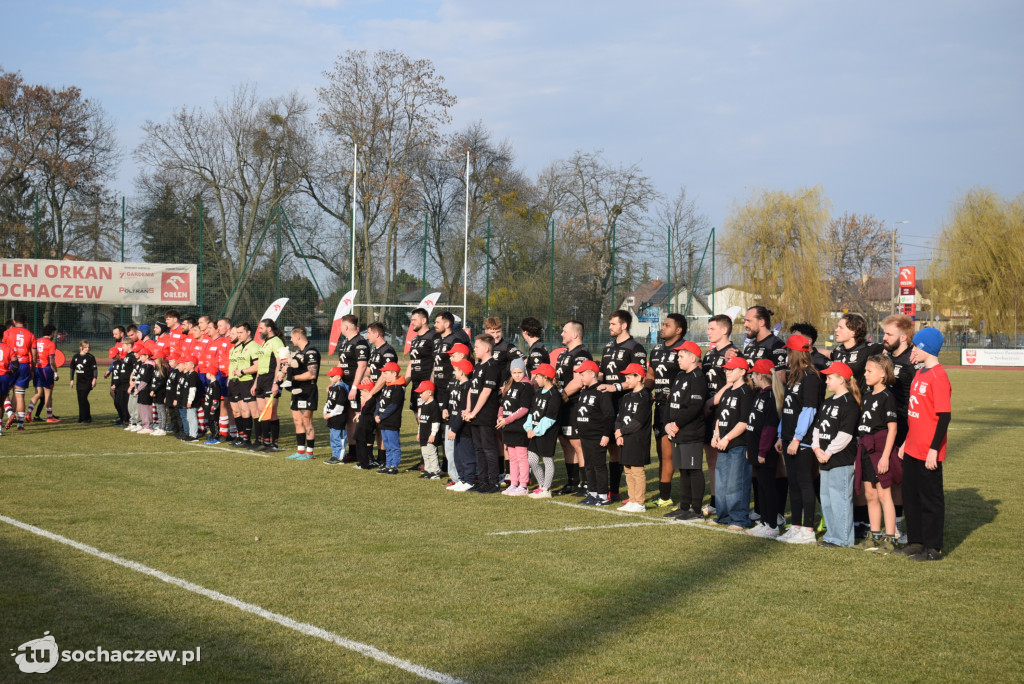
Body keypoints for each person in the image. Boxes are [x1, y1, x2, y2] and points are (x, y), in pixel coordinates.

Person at [896, 328, 951, 562]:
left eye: (916, 346)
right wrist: (906, 442)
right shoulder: (920, 373)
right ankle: (916, 541)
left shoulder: (938, 376)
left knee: (930, 499)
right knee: (911, 497)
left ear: (926, 348)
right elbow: (914, 413)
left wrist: (933, 450)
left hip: (928, 451)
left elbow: (944, 417)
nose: (913, 350)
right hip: (911, 448)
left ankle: (933, 548)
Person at [596, 309, 647, 502]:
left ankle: (621, 491)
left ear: (624, 325)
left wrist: (615, 386)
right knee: (609, 445)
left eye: (613, 324)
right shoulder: (608, 347)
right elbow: (602, 373)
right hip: (606, 403)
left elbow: (638, 377)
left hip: (625, 403)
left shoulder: (636, 348)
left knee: (621, 446)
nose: (610, 327)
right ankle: (609, 488)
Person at [810, 361, 862, 548]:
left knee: (840, 499)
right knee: (827, 498)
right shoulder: (828, 401)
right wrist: (816, 449)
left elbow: (845, 434)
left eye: (830, 378)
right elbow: (817, 428)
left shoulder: (850, 403)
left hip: (840, 459)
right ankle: (832, 535)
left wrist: (829, 452)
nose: (826, 382)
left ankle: (843, 539)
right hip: (824, 457)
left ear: (841, 380)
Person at [776, 334, 822, 537]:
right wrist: (780, 435)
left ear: (795, 353)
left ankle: (808, 529)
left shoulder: (811, 377)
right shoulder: (793, 375)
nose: (786, 354)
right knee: (793, 482)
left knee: (804, 481)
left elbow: (809, 410)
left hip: (802, 440)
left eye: (788, 351)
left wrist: (796, 438)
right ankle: (795, 526)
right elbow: (787, 408)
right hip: (787, 437)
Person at [856, 355, 900, 553]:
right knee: (870, 494)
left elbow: (892, 429)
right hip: (865, 449)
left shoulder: (887, 397)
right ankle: (874, 535)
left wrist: (885, 457)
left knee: (884, 495)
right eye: (865, 370)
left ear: (882, 374)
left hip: (880, 450)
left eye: (869, 371)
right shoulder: (867, 394)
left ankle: (890, 538)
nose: (865, 374)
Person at [646, 313, 687, 509]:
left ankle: (665, 495)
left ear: (678, 330)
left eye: (667, 325)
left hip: (675, 409)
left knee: (668, 452)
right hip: (659, 406)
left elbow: (691, 376)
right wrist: (645, 391)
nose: (663, 328)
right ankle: (665, 493)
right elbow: (651, 374)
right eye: (663, 324)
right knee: (661, 453)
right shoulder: (656, 349)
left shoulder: (685, 350)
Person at [663, 340, 707, 520]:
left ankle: (696, 510)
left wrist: (677, 424)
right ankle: (684, 506)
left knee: (693, 469)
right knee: (683, 469)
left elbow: (694, 406)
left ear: (693, 358)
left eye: (681, 356)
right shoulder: (680, 376)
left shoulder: (698, 378)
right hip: (677, 432)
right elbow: (670, 401)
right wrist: (667, 423)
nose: (678, 359)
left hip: (691, 432)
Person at [710, 356, 754, 529]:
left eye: (732, 369)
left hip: (738, 445)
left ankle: (740, 518)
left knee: (736, 483)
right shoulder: (727, 392)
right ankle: (724, 516)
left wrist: (728, 438)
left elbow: (744, 422)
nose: (727, 372)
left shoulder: (746, 392)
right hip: (723, 446)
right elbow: (720, 418)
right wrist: (716, 435)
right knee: (721, 483)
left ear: (743, 371)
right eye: (726, 369)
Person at [701, 314, 738, 516]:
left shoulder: (732, 353)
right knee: (711, 458)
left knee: (726, 458)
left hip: (723, 410)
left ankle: (727, 500)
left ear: (724, 330)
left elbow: (732, 383)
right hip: (708, 410)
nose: (708, 332)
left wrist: (712, 401)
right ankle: (716, 500)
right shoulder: (710, 354)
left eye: (712, 328)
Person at [745, 359, 784, 537]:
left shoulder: (771, 397)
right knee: (761, 486)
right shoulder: (760, 394)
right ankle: (764, 521)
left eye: (753, 373)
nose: (752, 377)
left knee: (768, 487)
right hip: (755, 449)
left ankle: (773, 525)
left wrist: (762, 451)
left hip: (765, 451)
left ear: (760, 375)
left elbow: (769, 429)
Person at [553, 320, 593, 495]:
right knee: (565, 442)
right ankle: (572, 481)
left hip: (575, 404)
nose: (561, 334)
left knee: (578, 444)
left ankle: (586, 483)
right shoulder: (563, 354)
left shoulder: (581, 354)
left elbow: (578, 382)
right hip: (563, 404)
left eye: (564, 331)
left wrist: (559, 397)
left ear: (575, 334)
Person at [574, 359, 616, 506]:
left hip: (597, 436)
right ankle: (592, 494)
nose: (580, 377)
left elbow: (609, 415)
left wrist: (605, 435)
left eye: (582, 374)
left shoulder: (601, 390)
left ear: (592, 374)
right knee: (589, 465)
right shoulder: (585, 391)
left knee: (599, 466)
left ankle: (603, 495)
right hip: (585, 435)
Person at [464, 335, 503, 493]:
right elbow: (472, 390)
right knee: (479, 448)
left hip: (486, 413)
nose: (474, 349)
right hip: (474, 414)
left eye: (477, 346)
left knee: (488, 448)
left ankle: (493, 482)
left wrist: (474, 412)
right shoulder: (479, 365)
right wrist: (467, 409)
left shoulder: (492, 366)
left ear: (487, 348)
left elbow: (486, 392)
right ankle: (483, 480)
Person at [614, 363, 653, 512]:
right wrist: (618, 433)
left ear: (639, 378)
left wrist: (622, 431)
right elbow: (619, 418)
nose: (627, 380)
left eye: (629, 377)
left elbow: (638, 422)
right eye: (626, 377)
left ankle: (640, 502)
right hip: (625, 437)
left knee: (637, 471)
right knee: (628, 470)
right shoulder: (626, 397)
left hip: (638, 439)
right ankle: (632, 499)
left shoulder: (645, 396)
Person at [248, 319, 288, 452]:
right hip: (261, 380)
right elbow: (260, 365)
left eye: (261, 328)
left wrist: (276, 382)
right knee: (262, 412)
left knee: (271, 412)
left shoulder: (277, 342)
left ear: (269, 328)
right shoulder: (264, 343)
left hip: (271, 379)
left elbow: (280, 363)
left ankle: (274, 443)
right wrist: (255, 383)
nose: (259, 331)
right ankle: (265, 442)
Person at [525, 363, 562, 498]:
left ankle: (546, 489)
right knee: (532, 459)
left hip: (547, 433)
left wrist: (537, 431)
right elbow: (531, 411)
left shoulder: (554, 395)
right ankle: (541, 485)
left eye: (538, 376)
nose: (535, 379)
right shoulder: (539, 392)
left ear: (546, 377)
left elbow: (550, 418)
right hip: (534, 431)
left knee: (547, 460)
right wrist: (529, 428)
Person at [497, 359, 534, 495]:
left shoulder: (527, 387)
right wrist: (500, 416)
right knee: (512, 457)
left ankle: (523, 485)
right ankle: (513, 483)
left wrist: (507, 420)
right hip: (507, 427)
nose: (517, 375)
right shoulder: (510, 385)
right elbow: (503, 404)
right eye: (514, 372)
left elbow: (524, 408)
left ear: (524, 371)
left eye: (519, 372)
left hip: (519, 427)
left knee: (521, 456)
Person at [336, 314, 369, 457]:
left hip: (355, 385)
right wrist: (335, 382)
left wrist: (355, 387)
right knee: (349, 418)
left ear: (346, 326)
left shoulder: (360, 342)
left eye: (341, 325)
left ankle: (364, 452)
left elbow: (362, 366)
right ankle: (353, 451)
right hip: (344, 385)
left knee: (358, 417)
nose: (340, 328)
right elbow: (341, 364)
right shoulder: (345, 342)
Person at [285, 326, 320, 460]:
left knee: (307, 421)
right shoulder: (299, 352)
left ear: (298, 336)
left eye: (292, 337)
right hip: (296, 390)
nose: (291, 339)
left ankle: (309, 453)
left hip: (307, 390)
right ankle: (300, 451)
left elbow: (312, 374)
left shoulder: (311, 352)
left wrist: (292, 378)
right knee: (297, 420)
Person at [446, 359, 477, 491]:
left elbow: (462, 410)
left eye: (456, 370)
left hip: (464, 428)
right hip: (456, 426)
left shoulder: (467, 387)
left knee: (466, 455)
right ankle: (462, 479)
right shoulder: (459, 385)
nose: (454, 373)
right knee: (458, 456)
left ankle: (469, 480)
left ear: (462, 372)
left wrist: (454, 428)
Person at [2, 313, 36, 430]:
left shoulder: (7, 333)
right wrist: (33, 368)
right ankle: (20, 424)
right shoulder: (31, 335)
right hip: (25, 365)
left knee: (4, 393)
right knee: (20, 395)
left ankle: (10, 413)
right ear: (25, 322)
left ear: (14, 322)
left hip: (11, 365)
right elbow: (34, 354)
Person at [228, 323, 259, 448]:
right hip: (237, 381)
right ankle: (241, 436)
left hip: (249, 381)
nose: (239, 335)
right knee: (238, 411)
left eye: (241, 333)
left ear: (248, 332)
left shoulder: (253, 347)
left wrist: (242, 372)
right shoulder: (239, 347)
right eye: (238, 333)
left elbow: (257, 366)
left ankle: (251, 439)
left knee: (250, 411)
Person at [375, 361, 406, 474]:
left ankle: (394, 465)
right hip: (383, 421)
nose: (384, 375)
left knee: (394, 445)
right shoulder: (387, 387)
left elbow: (393, 405)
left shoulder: (398, 388)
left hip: (392, 421)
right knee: (387, 445)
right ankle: (388, 464)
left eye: (386, 373)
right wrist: (376, 415)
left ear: (394, 374)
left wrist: (381, 416)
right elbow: (380, 403)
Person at [406, 307, 438, 414]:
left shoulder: (433, 337)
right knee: (417, 416)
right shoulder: (414, 340)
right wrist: (405, 382)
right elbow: (412, 361)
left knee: (425, 419)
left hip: (427, 386)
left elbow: (437, 361)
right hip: (415, 386)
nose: (412, 323)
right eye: (412, 320)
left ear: (424, 320)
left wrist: (431, 384)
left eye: (414, 320)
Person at [743, 306, 787, 376]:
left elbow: (780, 380)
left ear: (761, 322)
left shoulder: (777, 345)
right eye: (744, 321)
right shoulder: (749, 346)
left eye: (749, 321)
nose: (745, 324)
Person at [29, 324, 60, 423]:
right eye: (54, 332)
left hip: (37, 368)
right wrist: (55, 372)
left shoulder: (36, 341)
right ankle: (50, 417)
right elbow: (51, 361)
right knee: (48, 394)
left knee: (38, 393)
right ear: (51, 333)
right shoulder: (50, 343)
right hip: (46, 369)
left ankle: (28, 413)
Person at [414, 381, 444, 479]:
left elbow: (436, 422)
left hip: (430, 435)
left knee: (431, 453)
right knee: (425, 454)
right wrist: (419, 432)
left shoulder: (434, 406)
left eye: (422, 392)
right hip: (423, 434)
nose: (420, 394)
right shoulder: (424, 405)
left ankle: (435, 471)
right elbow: (421, 421)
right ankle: (428, 470)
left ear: (430, 393)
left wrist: (433, 434)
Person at [322, 366, 350, 466]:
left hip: (338, 417)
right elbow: (328, 402)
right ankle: (335, 455)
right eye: (329, 376)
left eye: (332, 376)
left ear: (338, 377)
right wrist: (325, 412)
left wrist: (330, 414)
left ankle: (340, 457)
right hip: (331, 416)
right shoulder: (333, 387)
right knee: (333, 437)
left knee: (339, 437)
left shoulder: (341, 388)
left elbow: (340, 406)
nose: (330, 378)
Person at [174, 354, 201, 441]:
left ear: (192, 365)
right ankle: (190, 433)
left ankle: (194, 435)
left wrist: (189, 401)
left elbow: (193, 389)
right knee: (189, 417)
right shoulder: (188, 375)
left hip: (192, 401)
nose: (185, 365)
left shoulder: (193, 375)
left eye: (187, 364)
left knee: (192, 417)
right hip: (187, 400)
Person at [70, 340, 97, 424]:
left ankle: (87, 418)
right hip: (79, 382)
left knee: (83, 398)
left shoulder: (90, 357)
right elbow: (72, 368)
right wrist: (71, 380)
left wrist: (94, 379)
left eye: (88, 347)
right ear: (81, 347)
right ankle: (81, 418)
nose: (87, 349)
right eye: (86, 347)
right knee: (80, 399)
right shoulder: (76, 357)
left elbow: (95, 369)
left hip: (87, 381)